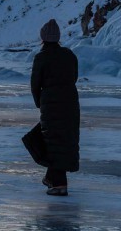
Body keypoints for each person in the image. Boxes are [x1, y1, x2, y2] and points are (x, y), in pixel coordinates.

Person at [30, 19, 80, 196]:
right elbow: (74, 76)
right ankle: (52, 178)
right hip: (70, 102)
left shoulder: (41, 57)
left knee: (52, 141)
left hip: (51, 102)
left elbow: (35, 84)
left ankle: (58, 184)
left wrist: (40, 102)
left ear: (43, 38)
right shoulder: (69, 55)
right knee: (64, 140)